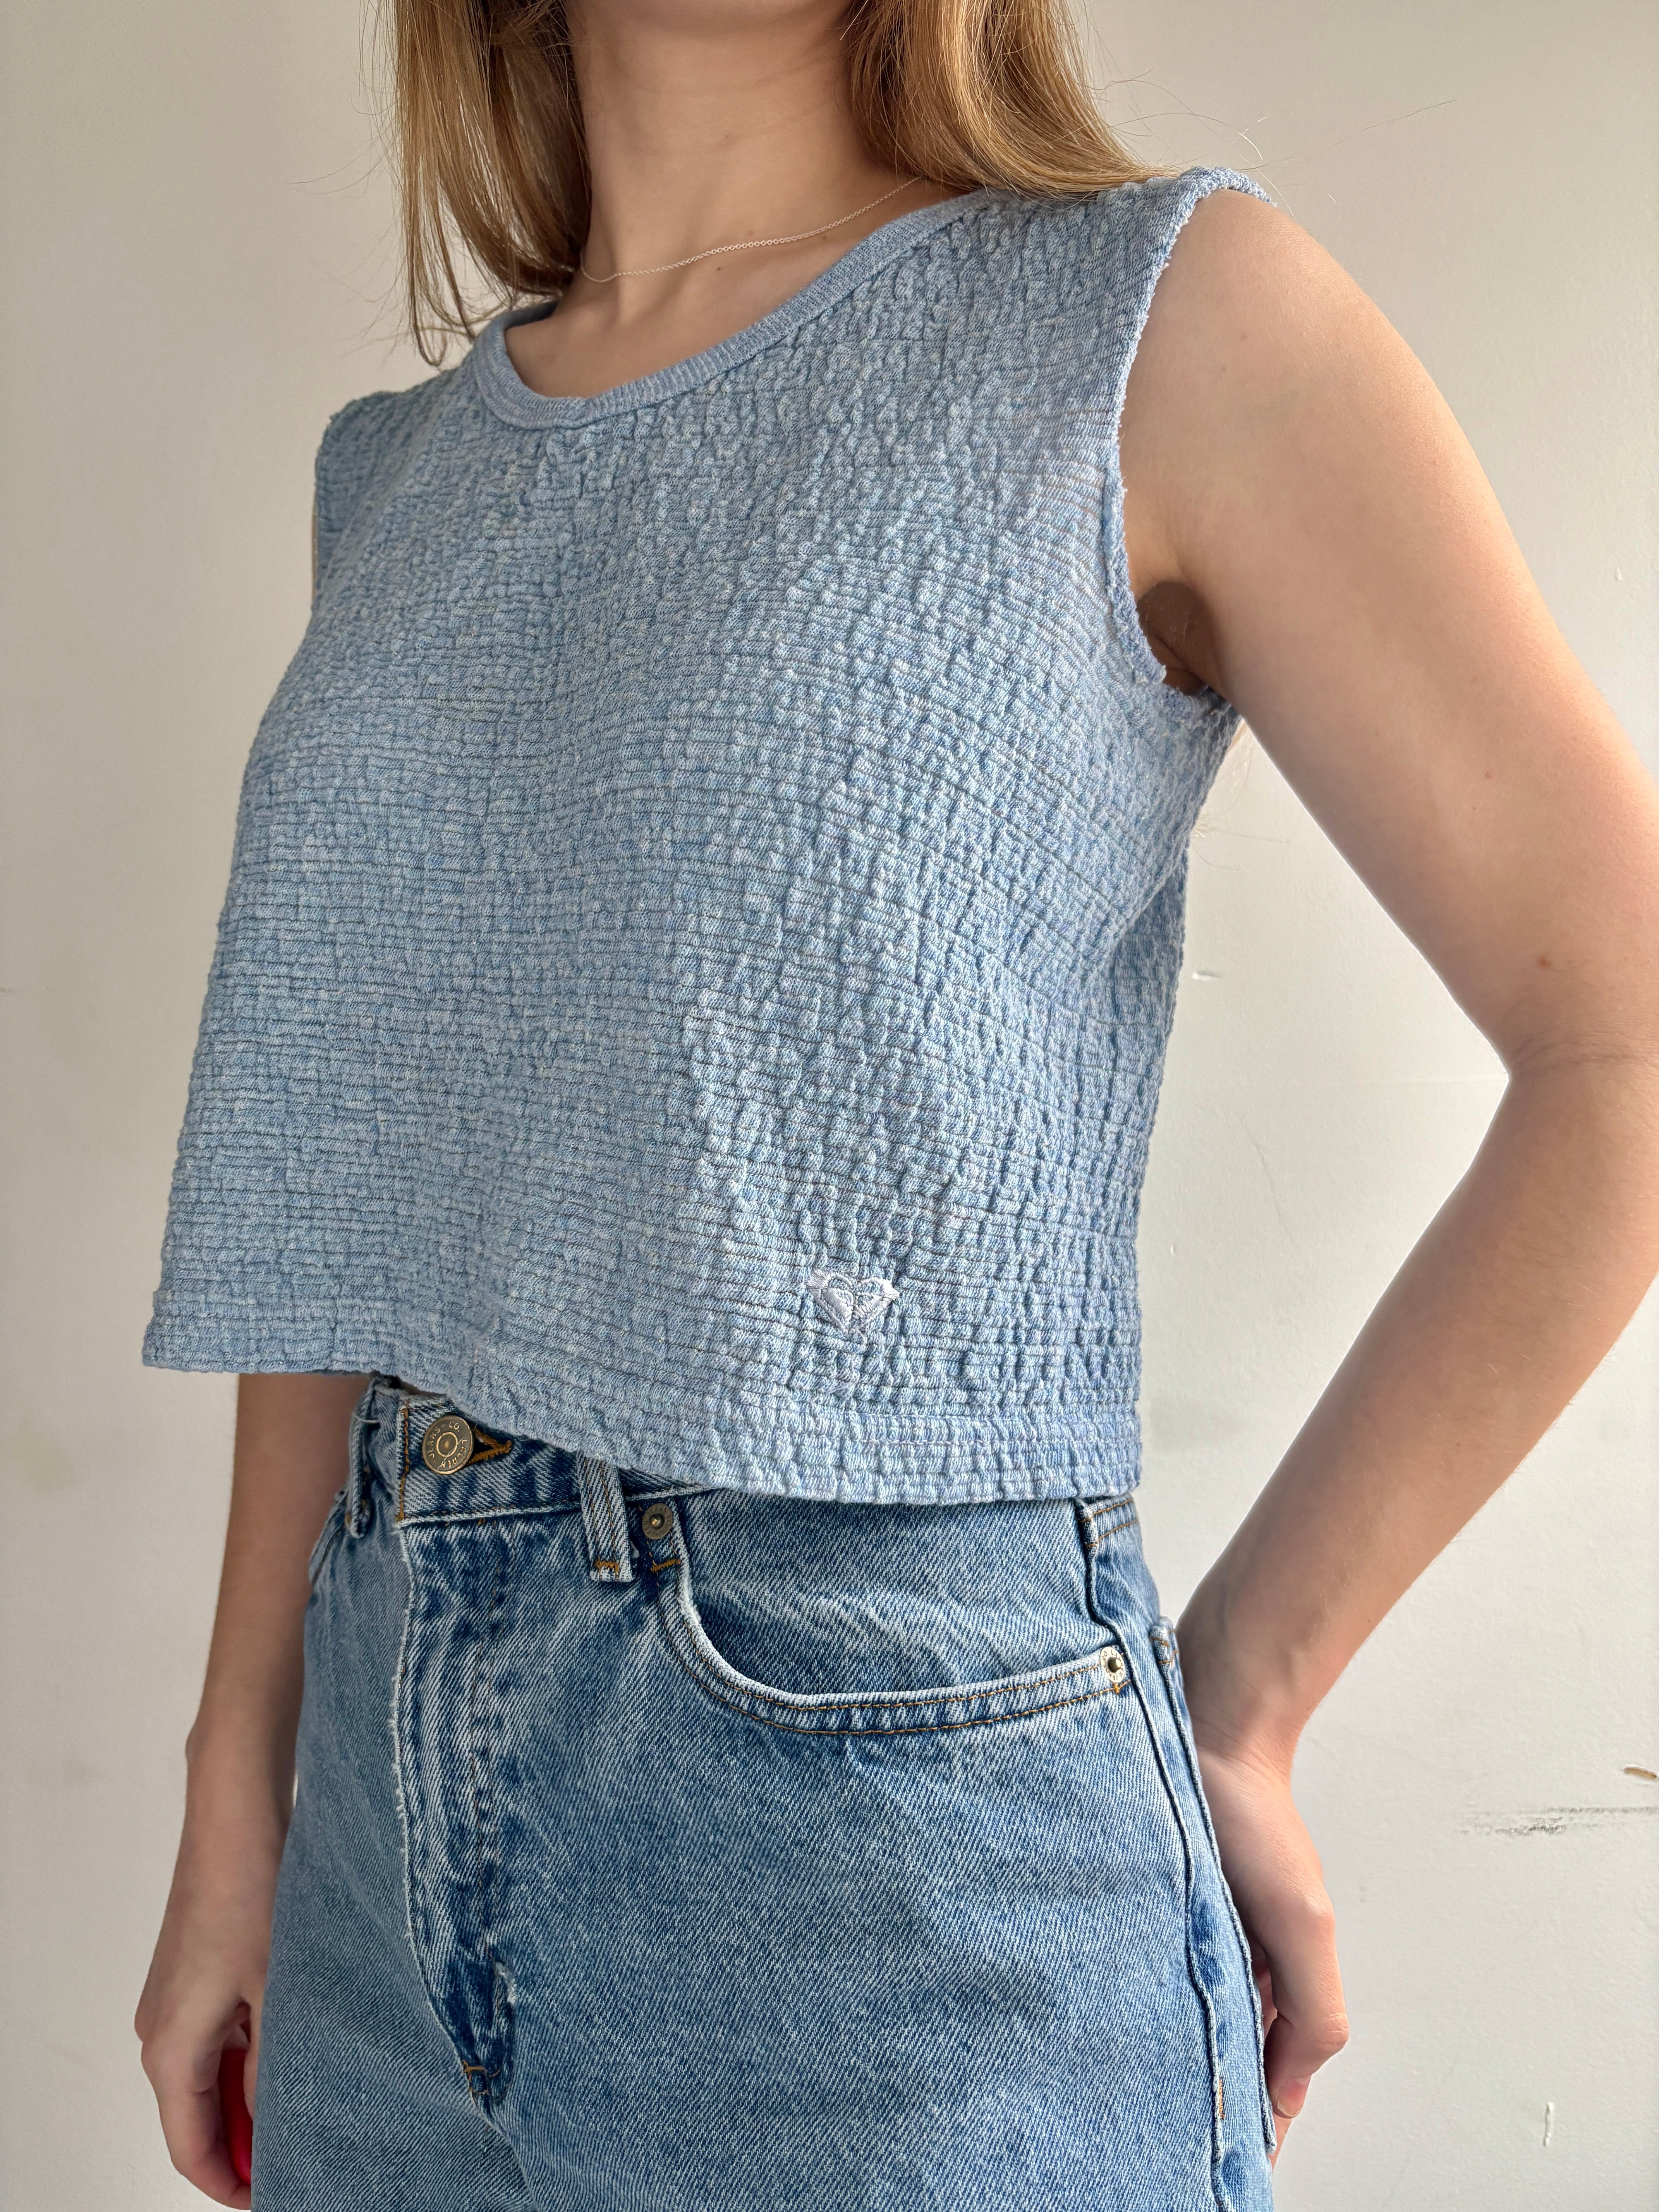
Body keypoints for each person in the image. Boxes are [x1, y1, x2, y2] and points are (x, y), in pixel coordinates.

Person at [133, 2, 1659, 2207]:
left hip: (886, 1815)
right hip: (377, 1829)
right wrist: (236, 1783)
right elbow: (353, 1186)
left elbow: (1623, 1044)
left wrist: (1242, 1699)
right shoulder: (395, 474)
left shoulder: (1159, 319)